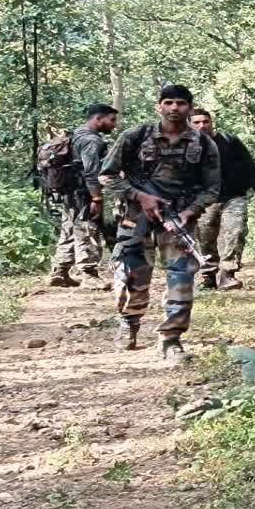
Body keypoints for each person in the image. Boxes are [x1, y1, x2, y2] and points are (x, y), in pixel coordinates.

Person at [99, 85, 221, 361]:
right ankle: (129, 323)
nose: (174, 108)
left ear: (190, 108)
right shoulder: (135, 136)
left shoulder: (203, 144)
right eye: (169, 102)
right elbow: (107, 175)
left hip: (177, 220)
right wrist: (140, 196)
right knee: (131, 275)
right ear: (159, 106)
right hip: (135, 218)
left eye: (181, 103)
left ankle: (171, 338)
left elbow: (212, 188)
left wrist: (189, 212)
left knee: (181, 279)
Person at [188, 109, 255, 290]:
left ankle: (228, 275)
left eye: (205, 121)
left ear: (211, 122)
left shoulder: (228, 140)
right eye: (197, 122)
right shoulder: (185, 146)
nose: (202, 125)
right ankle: (208, 276)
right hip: (204, 200)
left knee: (235, 231)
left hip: (234, 197)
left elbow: (249, 165)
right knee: (204, 238)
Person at [48, 104, 118, 290]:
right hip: (84, 192)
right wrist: (96, 198)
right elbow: (91, 172)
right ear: (98, 119)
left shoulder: (76, 134)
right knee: (87, 229)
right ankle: (89, 274)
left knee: (69, 228)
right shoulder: (91, 141)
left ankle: (59, 271)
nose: (114, 124)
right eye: (111, 120)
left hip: (70, 191)